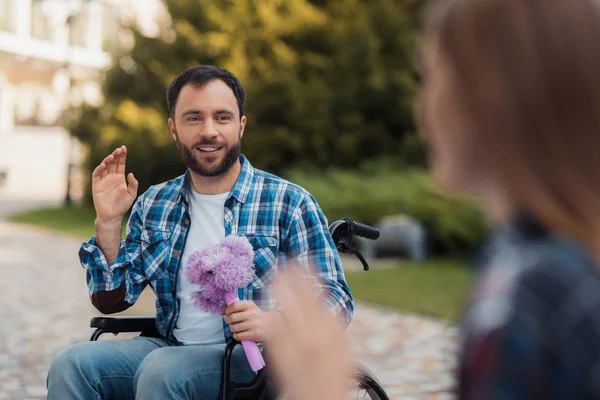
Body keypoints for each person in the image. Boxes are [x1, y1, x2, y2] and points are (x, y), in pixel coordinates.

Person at [268, 0, 600, 398]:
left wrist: (320, 389)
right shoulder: (537, 255)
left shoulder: (524, 300)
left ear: (491, 98)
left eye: (431, 77)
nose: (422, 107)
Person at [46, 65, 353, 399]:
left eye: (222, 117)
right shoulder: (155, 204)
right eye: (193, 118)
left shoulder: (288, 202)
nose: (209, 131)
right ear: (173, 128)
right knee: (71, 364)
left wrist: (275, 322)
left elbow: (336, 298)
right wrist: (107, 223)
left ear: (241, 125)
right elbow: (112, 299)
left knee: (162, 370)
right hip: (170, 347)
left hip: (255, 360)